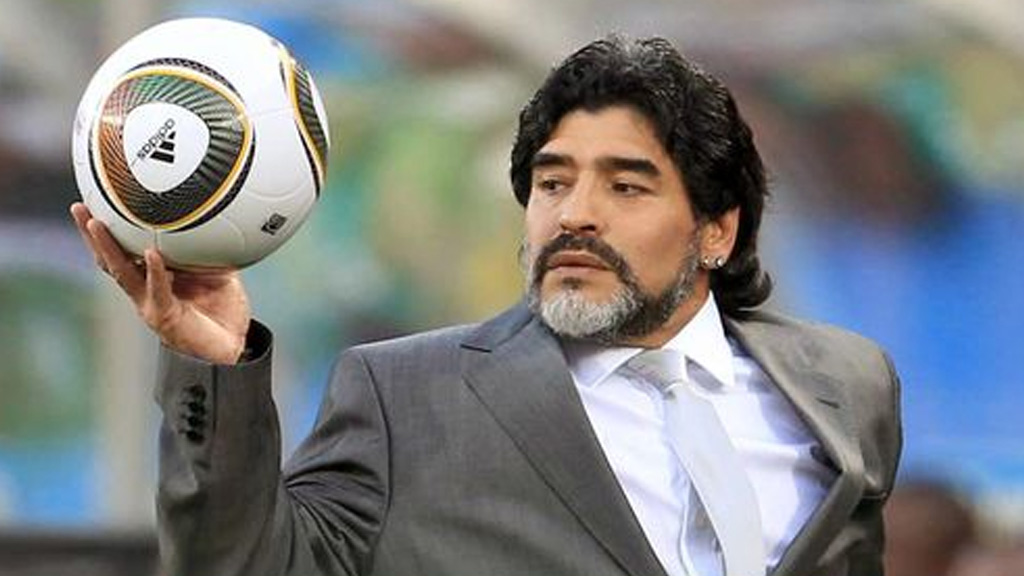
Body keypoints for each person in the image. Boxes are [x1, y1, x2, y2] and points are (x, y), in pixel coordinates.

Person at [70, 35, 902, 576]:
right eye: (552, 182)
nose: (575, 214)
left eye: (626, 186)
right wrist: (215, 369)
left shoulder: (846, 385)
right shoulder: (406, 397)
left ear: (718, 229)